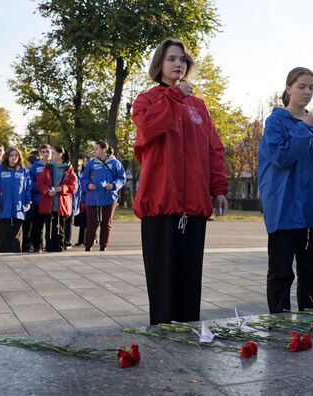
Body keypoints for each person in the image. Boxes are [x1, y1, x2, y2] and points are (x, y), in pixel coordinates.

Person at [132, 38, 228, 325]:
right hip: (161, 207)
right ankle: (163, 340)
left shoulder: (198, 106)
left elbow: (214, 149)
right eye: (172, 58)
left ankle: (189, 336)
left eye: (183, 60)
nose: (178, 64)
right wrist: (174, 97)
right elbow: (149, 129)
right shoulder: (147, 100)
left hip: (194, 207)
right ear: (160, 64)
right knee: (163, 287)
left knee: (189, 283)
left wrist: (219, 188)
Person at [258, 67, 313, 314]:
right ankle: (279, 322)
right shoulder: (276, 122)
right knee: (281, 273)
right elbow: (282, 157)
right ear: (288, 88)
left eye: (311, 87)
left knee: (310, 271)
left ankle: (309, 317)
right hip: (285, 210)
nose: (307, 92)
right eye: (301, 86)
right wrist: (303, 129)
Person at [80, 142, 125, 252]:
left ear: (104, 149)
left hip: (109, 198)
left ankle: (103, 246)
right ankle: (88, 246)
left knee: (106, 223)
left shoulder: (115, 163)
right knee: (92, 223)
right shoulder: (92, 163)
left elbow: (122, 178)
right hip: (92, 198)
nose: (95, 151)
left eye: (97, 149)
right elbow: (84, 177)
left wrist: (113, 185)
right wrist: (88, 184)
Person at [36, 146, 77, 252]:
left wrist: (61, 188)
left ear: (60, 155)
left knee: (60, 227)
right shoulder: (48, 167)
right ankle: (49, 247)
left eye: (53, 153)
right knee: (49, 227)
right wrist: (47, 191)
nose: (51, 155)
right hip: (49, 202)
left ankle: (59, 247)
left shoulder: (69, 168)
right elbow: (40, 183)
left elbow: (73, 186)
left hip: (62, 203)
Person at [0, 147, 32, 252]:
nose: (14, 157)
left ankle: (16, 251)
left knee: (17, 232)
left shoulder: (24, 171)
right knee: (3, 230)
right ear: (7, 157)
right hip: (4, 204)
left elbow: (28, 188)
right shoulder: (1, 169)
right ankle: (2, 251)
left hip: (19, 206)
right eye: (11, 155)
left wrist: (28, 202)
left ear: (19, 157)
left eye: (16, 155)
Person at [29, 145, 52, 252]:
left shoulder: (54, 165)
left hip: (51, 201)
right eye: (43, 152)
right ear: (40, 153)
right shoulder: (35, 165)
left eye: (48, 151)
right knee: (37, 226)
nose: (46, 154)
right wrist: (41, 188)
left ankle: (49, 246)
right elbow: (30, 181)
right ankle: (38, 246)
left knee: (50, 226)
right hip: (38, 200)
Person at [21, 152, 38, 252]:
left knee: (26, 225)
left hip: (27, 201)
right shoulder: (36, 171)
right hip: (35, 201)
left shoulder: (26, 172)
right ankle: (31, 243)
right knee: (34, 226)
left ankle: (25, 244)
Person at [73, 154, 91, 247]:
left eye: (88, 161)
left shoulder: (92, 173)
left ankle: (90, 238)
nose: (86, 163)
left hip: (89, 200)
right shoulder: (82, 173)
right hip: (82, 201)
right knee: (82, 222)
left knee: (90, 222)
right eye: (85, 161)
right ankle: (80, 240)